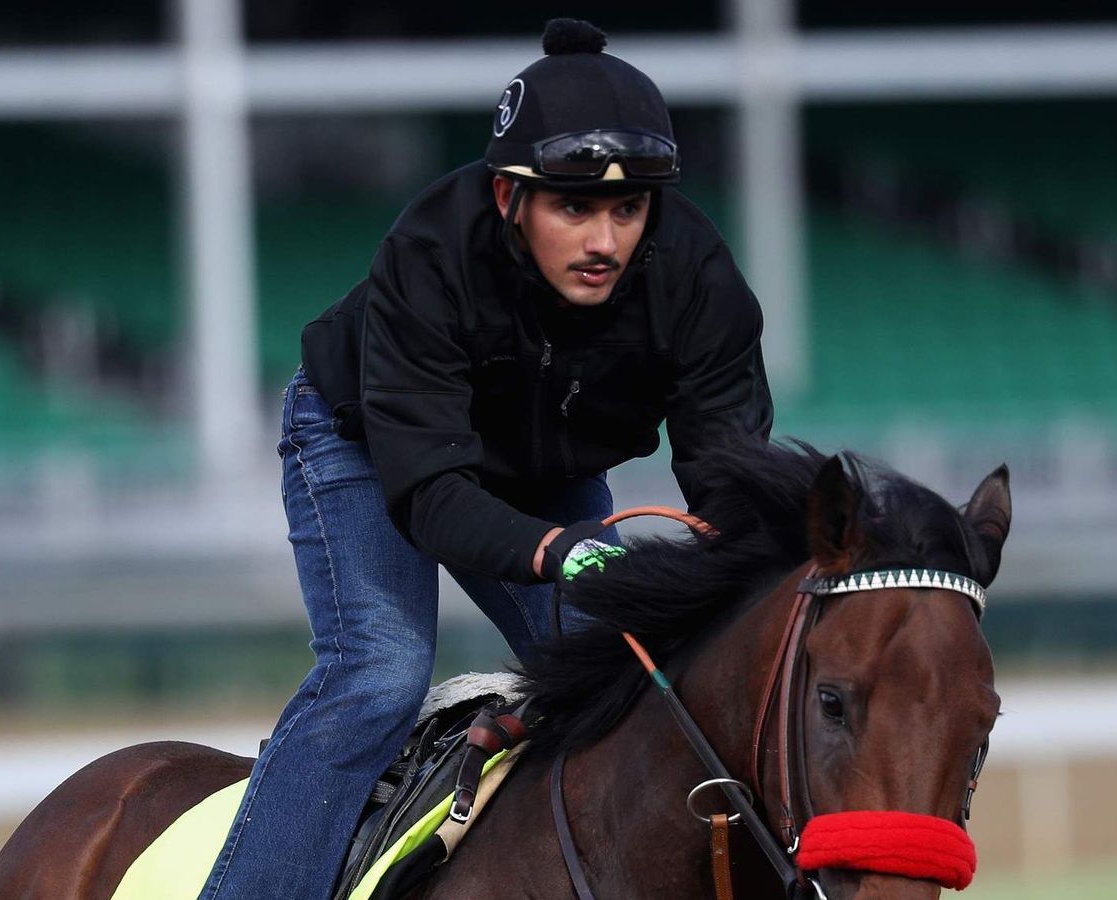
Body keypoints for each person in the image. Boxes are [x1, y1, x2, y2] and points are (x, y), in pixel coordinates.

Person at [197, 18, 773, 900]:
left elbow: (730, 475)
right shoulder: (428, 253)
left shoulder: (698, 277)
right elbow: (429, 492)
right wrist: (555, 548)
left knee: (635, 675)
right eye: (573, 207)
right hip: (369, 443)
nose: (605, 242)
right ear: (509, 198)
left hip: (539, 465)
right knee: (380, 672)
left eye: (627, 209)